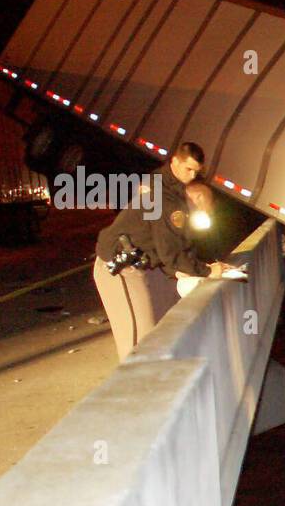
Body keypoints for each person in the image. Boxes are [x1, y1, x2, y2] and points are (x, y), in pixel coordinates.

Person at [92, 141, 230, 360]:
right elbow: (171, 251)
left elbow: (177, 246)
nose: (192, 175)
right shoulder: (166, 197)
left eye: (196, 171)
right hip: (120, 268)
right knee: (141, 339)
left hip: (145, 263)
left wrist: (182, 269)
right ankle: (137, 388)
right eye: (188, 169)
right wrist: (205, 271)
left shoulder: (168, 186)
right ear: (175, 161)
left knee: (165, 325)